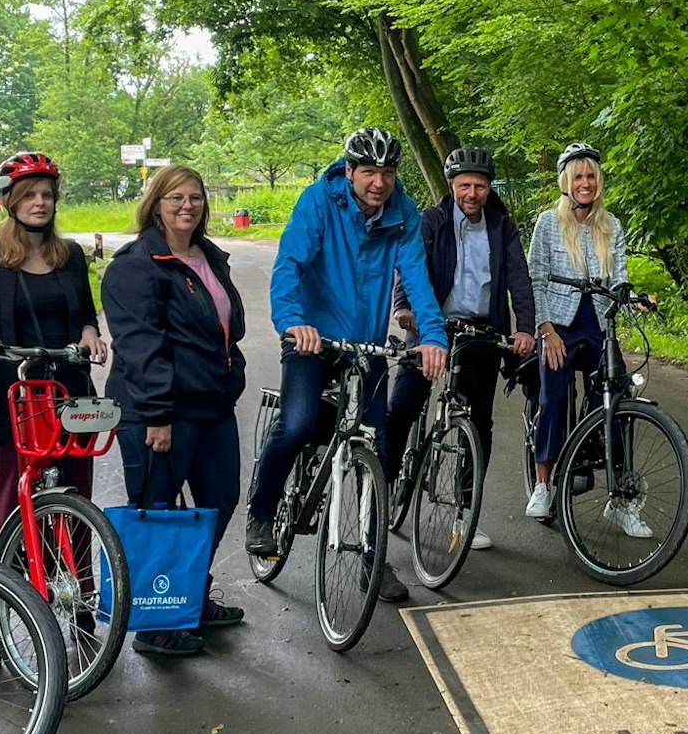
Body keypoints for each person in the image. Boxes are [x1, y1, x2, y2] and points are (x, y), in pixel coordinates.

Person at [243, 128, 448, 604]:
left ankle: (372, 560)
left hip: (366, 345)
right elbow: (290, 263)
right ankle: (260, 512)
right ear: (350, 171)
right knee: (295, 426)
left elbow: (416, 278)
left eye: (388, 172)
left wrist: (432, 337)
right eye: (370, 172)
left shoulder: (403, 214)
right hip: (312, 339)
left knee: (375, 450)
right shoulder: (319, 201)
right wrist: (294, 322)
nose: (379, 182)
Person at [0, 152, 105, 662]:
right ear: (9, 201)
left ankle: (80, 607)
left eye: (47, 194)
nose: (40, 203)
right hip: (6, 393)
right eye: (29, 195)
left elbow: (86, 314)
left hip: (66, 392)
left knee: (76, 502)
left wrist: (89, 333)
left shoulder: (70, 255)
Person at [102, 164, 249, 656]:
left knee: (218, 503)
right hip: (159, 413)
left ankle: (190, 596)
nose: (187, 206)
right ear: (155, 203)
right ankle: (156, 625)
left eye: (195, 197)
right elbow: (141, 346)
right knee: (158, 512)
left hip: (211, 406)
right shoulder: (136, 264)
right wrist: (157, 414)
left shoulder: (209, 256)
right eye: (175, 198)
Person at [383, 146, 537, 551]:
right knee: (402, 407)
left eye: (480, 186)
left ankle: (465, 512)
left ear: (489, 188)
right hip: (433, 326)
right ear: (452, 186)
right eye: (465, 185)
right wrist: (404, 308)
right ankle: (378, 498)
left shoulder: (502, 226)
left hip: (480, 331)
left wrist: (524, 327)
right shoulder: (432, 221)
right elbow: (411, 263)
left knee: (478, 422)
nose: (472, 193)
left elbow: (519, 278)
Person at [525, 142, 647, 534]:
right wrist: (546, 331)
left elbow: (621, 274)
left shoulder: (610, 225)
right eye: (578, 176)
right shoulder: (548, 223)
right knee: (554, 396)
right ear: (566, 181)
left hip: (598, 324)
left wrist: (632, 296)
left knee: (617, 400)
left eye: (591, 175)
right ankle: (543, 484)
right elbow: (535, 280)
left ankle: (620, 498)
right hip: (558, 326)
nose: (585, 182)